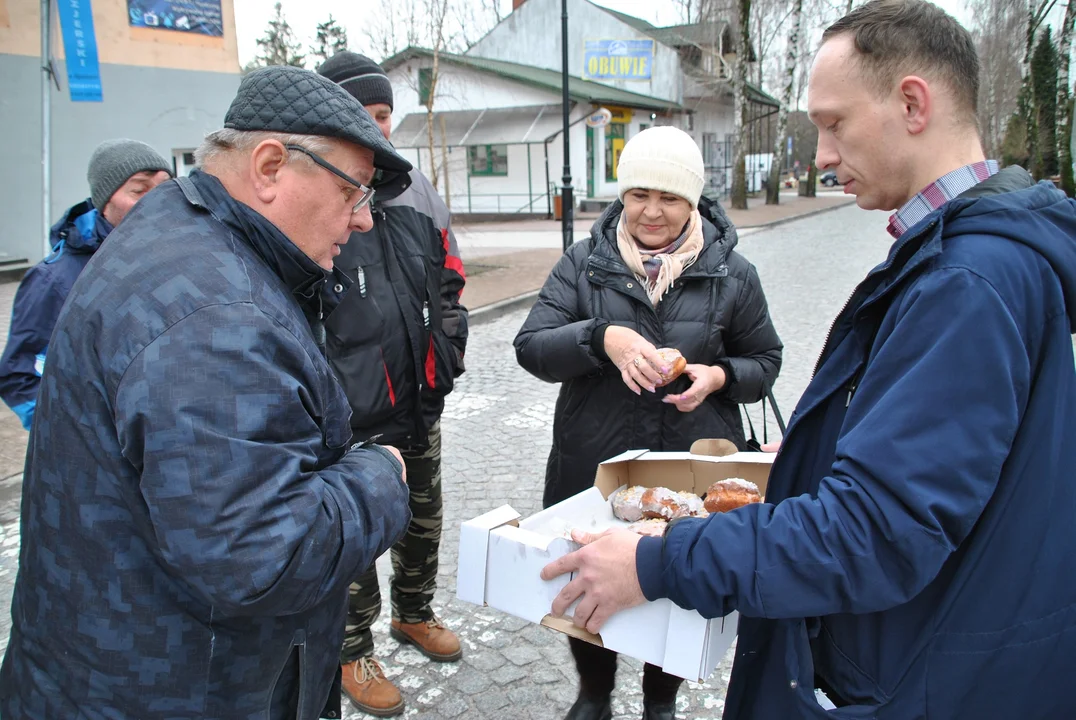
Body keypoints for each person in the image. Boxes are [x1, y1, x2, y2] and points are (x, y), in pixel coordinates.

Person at [540, 2, 1076, 719]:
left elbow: (875, 531)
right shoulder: (969, 259)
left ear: (912, 103)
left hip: (927, 669)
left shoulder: (966, 280)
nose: (821, 155)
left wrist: (656, 561)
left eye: (834, 123)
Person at [0, 66, 418, 720]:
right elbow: (261, 556)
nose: (363, 221)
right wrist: (381, 477)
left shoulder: (184, 236)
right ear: (271, 167)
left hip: (120, 667)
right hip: (180, 687)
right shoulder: (217, 315)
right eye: (353, 191)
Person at [514, 125, 782, 720]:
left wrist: (718, 376)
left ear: (692, 202)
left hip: (689, 473)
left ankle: (660, 701)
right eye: (639, 194)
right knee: (587, 580)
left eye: (669, 198)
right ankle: (595, 693)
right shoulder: (585, 265)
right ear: (622, 194)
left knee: (681, 584)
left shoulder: (733, 274)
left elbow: (766, 362)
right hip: (593, 463)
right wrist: (599, 336)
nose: (651, 212)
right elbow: (531, 346)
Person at [316, 52, 468, 717]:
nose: (380, 130)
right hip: (349, 419)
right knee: (353, 538)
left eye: (385, 116)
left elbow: (451, 279)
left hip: (418, 399)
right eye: (365, 117)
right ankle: (351, 649)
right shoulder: (316, 192)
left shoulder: (415, 190)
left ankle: (414, 612)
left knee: (422, 522)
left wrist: (448, 346)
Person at [0, 139, 172, 430]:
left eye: (165, 188)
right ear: (105, 202)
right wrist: (76, 434)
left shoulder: (179, 257)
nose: (157, 200)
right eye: (139, 190)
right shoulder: (53, 279)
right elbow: (21, 376)